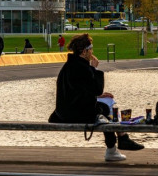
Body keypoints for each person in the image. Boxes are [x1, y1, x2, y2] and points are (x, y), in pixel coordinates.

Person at [48, 34, 143, 163]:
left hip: (64, 111)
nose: (92, 51)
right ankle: (117, 144)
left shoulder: (69, 65)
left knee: (104, 109)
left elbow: (81, 90)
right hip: (74, 113)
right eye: (91, 48)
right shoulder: (82, 67)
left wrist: (97, 96)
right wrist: (95, 69)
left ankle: (119, 141)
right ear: (84, 51)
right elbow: (96, 88)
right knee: (105, 110)